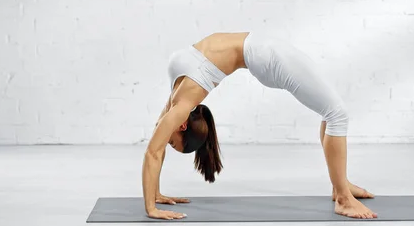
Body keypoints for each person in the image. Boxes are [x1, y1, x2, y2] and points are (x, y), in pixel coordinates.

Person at [142, 32, 377, 220]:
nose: (165, 137)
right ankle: (341, 189)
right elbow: (157, 145)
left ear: (182, 126)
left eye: (172, 142)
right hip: (263, 49)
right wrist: (155, 195)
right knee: (335, 113)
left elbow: (153, 151)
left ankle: (342, 194)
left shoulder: (181, 104)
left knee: (335, 114)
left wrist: (151, 207)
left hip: (267, 55)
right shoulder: (179, 95)